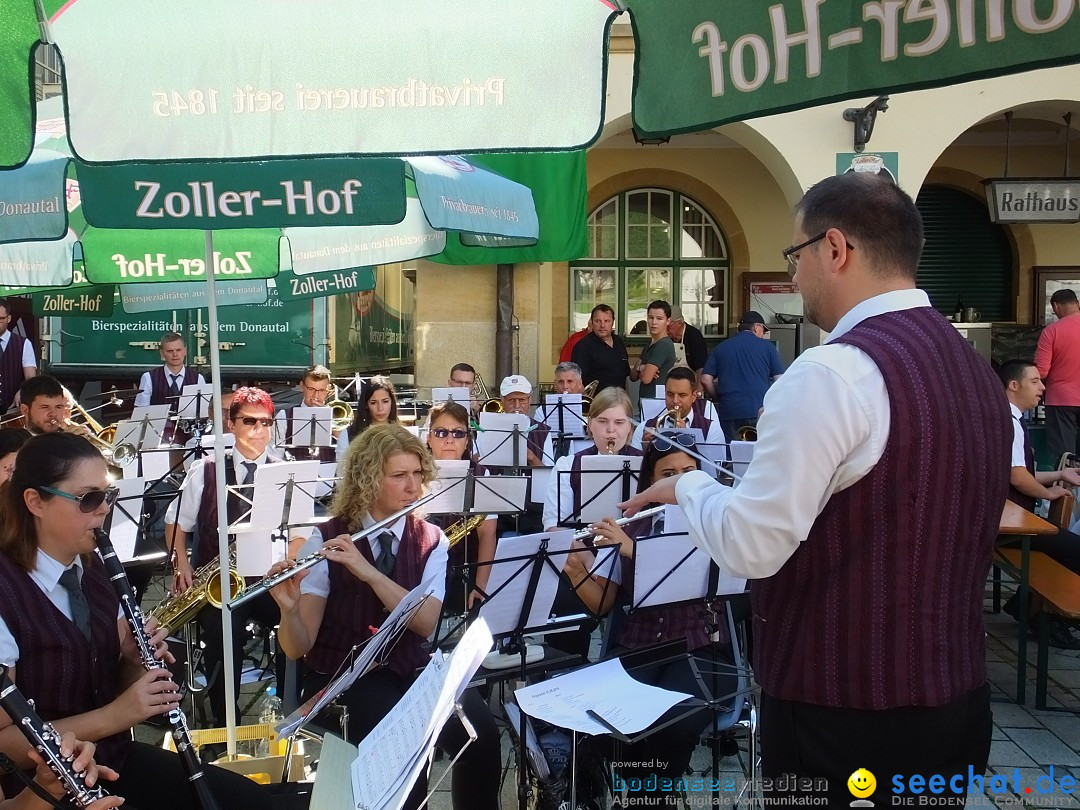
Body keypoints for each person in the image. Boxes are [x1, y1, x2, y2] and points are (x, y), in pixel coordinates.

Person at [621, 172, 1011, 806]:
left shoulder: (832, 371)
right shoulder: (975, 368)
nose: (794, 276)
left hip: (842, 711)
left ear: (835, 249)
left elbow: (752, 546)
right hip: (959, 697)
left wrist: (689, 486)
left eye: (795, 255)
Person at [0, 433, 267, 810]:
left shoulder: (95, 572)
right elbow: (4, 740)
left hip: (113, 761)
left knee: (251, 802)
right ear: (35, 501)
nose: (104, 510)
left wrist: (131, 661)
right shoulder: (6, 591)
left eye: (108, 496)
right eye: (88, 499)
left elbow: (114, 685)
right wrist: (118, 715)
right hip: (44, 791)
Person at [267, 424, 501, 810]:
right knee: (402, 753)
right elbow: (298, 646)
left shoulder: (432, 539)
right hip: (345, 674)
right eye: (399, 476)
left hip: (408, 666)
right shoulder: (326, 539)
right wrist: (288, 610)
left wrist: (369, 572)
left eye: (417, 474)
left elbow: (425, 622)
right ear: (368, 481)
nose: (414, 486)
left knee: (482, 734)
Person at [568, 430, 736, 808]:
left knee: (673, 723)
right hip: (640, 647)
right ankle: (602, 792)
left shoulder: (718, 523)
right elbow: (603, 604)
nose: (679, 482)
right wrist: (576, 568)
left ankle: (653, 799)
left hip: (701, 648)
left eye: (689, 472)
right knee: (590, 715)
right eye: (668, 474)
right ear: (650, 483)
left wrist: (631, 551)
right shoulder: (632, 524)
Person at [165, 387, 290, 727]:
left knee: (301, 616)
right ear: (231, 425)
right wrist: (183, 563)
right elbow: (176, 523)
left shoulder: (285, 473)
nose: (259, 430)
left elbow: (299, 531)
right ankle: (225, 721)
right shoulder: (205, 470)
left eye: (266, 422)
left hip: (267, 580)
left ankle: (291, 709)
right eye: (250, 421)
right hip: (219, 584)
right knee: (223, 631)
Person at [542, 387, 640, 660]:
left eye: (619, 423)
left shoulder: (645, 465)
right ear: (590, 424)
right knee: (564, 605)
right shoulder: (567, 464)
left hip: (631, 558)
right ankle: (565, 668)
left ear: (629, 428)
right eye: (603, 422)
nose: (611, 432)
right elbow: (553, 523)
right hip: (582, 555)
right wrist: (584, 556)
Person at [998, 358, 1080, 648]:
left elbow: (1021, 472)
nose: (1042, 388)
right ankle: (1050, 619)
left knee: (1061, 545)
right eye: (1035, 381)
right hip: (1007, 526)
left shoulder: (1006, 418)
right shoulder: (1008, 422)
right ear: (1013, 385)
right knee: (1073, 551)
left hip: (1009, 518)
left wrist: (1059, 474)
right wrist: (1049, 493)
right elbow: (1018, 478)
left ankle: (1024, 606)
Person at [424, 400, 496, 611]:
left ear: (467, 441)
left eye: (458, 433)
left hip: (466, 572)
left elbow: (487, 535)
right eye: (440, 432)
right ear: (428, 438)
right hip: (420, 572)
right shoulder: (414, 473)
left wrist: (481, 586)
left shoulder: (482, 474)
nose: (449, 439)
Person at [700, 311, 785, 441]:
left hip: (729, 410)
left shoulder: (721, 347)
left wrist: (717, 397)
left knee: (731, 455)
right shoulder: (768, 348)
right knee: (757, 455)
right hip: (758, 410)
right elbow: (780, 380)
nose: (763, 335)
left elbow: (705, 379)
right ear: (757, 327)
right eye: (763, 330)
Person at [629, 366, 726, 452]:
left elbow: (714, 469)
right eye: (670, 394)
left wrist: (687, 442)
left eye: (682, 395)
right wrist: (647, 451)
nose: (675, 401)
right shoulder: (643, 428)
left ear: (694, 396)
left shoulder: (711, 430)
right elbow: (636, 469)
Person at [1035, 288, 1080, 461]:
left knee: (1065, 457)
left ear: (1056, 306)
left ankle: (1067, 487)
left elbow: (1042, 371)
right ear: (1076, 303)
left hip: (1061, 400)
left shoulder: (1052, 331)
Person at [275, 364, 337, 461]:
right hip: (296, 472)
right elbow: (275, 455)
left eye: (321, 390)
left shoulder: (338, 417)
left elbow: (346, 451)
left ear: (328, 389)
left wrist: (333, 424)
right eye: (311, 389)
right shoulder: (284, 416)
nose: (316, 395)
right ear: (302, 386)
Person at [132, 332, 205, 411]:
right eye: (170, 351)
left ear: (185, 351)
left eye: (178, 350)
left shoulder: (198, 378)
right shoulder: (148, 377)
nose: (175, 354)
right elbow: (140, 411)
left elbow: (203, 410)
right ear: (162, 353)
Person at [337, 375, 399, 464]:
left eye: (385, 401)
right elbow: (342, 471)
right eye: (373, 403)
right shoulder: (348, 435)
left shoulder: (403, 433)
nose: (380, 408)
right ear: (366, 404)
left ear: (392, 402)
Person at [571, 304, 630, 392]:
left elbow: (625, 373)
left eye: (606, 321)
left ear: (613, 322)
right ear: (592, 322)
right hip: (597, 402)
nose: (602, 325)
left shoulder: (618, 341)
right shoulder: (583, 346)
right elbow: (577, 382)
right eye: (598, 321)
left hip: (619, 400)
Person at [629, 300, 675, 400]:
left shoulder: (663, 345)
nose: (654, 322)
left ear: (668, 321)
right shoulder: (650, 344)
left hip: (657, 401)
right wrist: (641, 368)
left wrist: (641, 369)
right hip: (646, 401)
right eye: (650, 318)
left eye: (659, 318)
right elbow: (632, 376)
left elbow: (646, 378)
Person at [0, 299, 37, 414]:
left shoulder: (23, 343)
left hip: (12, 410)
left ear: (9, 319)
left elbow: (30, 377)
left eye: (0, 319)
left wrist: (22, 391)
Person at [666, 305, 708, 381]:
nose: (666, 330)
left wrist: (698, 392)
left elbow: (701, 369)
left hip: (690, 386)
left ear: (679, 323)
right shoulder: (665, 338)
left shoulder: (694, 336)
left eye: (669, 326)